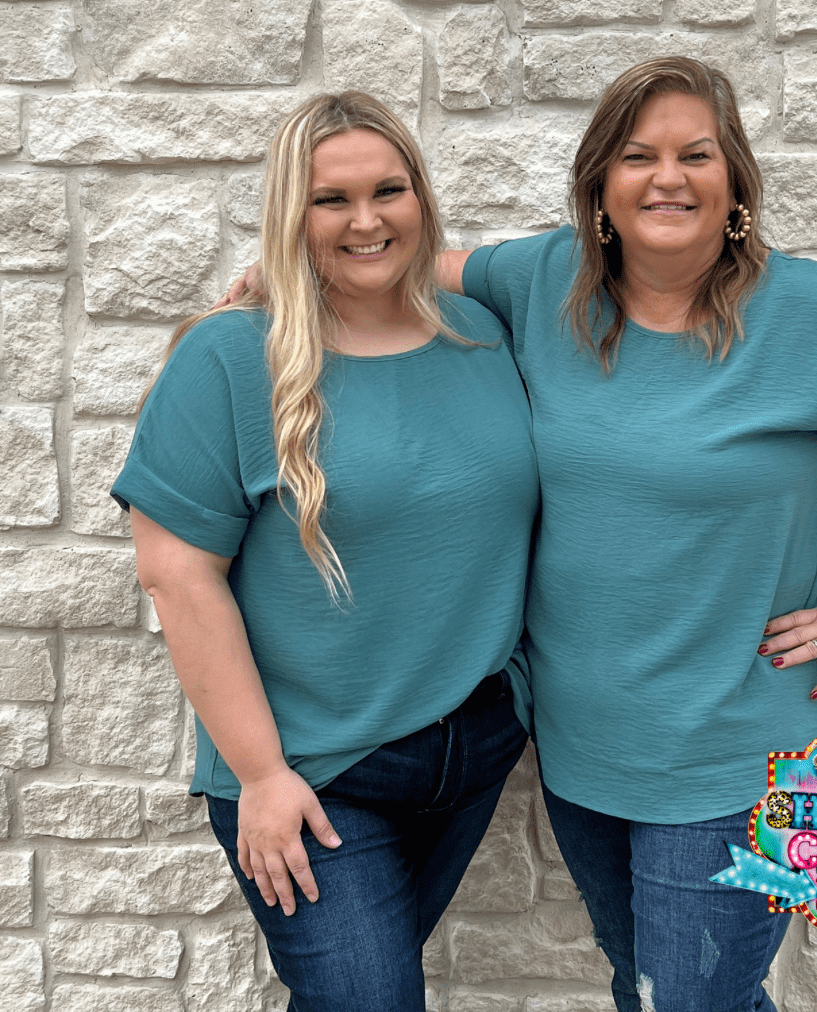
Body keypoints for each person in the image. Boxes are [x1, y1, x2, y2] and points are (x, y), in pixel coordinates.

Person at [228, 58, 817, 1011]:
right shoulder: (549, 280)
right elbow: (415, 265)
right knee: (649, 992)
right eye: (637, 156)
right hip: (584, 752)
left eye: (695, 155)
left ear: (736, 180)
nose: (667, 178)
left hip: (742, 753)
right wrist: (286, 274)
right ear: (599, 186)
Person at [112, 92, 539, 1012]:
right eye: (330, 200)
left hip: (475, 745)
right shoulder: (232, 357)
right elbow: (177, 574)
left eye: (389, 190)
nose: (366, 220)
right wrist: (262, 777)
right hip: (314, 770)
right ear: (289, 213)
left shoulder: (486, 336)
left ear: (421, 196)